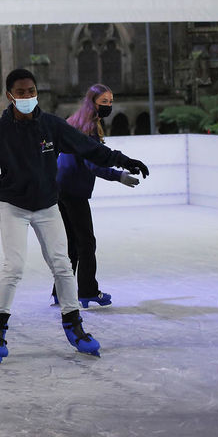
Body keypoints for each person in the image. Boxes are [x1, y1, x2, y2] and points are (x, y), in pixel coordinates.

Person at [0, 69, 149, 364]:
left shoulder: (51, 126)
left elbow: (89, 149)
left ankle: (74, 325)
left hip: (48, 205)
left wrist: (123, 161)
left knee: (62, 264)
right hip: (14, 206)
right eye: (21, 92)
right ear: (10, 96)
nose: (27, 96)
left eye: (31, 91)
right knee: (14, 267)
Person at [50, 84, 141, 307]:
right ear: (93, 102)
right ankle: (88, 291)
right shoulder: (88, 127)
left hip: (61, 187)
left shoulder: (77, 120)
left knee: (72, 243)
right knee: (86, 242)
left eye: (110, 102)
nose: (108, 106)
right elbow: (94, 163)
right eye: (104, 102)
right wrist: (119, 176)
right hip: (73, 190)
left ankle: (60, 292)